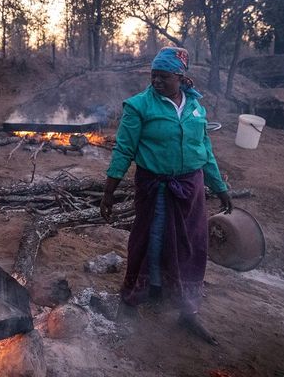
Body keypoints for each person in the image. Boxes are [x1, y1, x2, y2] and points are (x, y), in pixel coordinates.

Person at [99, 47, 233, 345]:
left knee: (190, 244)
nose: (156, 82)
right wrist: (108, 192)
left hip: (191, 188)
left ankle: (187, 310)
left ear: (180, 77)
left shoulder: (196, 108)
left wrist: (219, 187)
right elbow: (124, 150)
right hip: (156, 187)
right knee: (152, 239)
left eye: (163, 77)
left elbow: (205, 150)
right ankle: (142, 295)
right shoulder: (139, 107)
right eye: (153, 76)